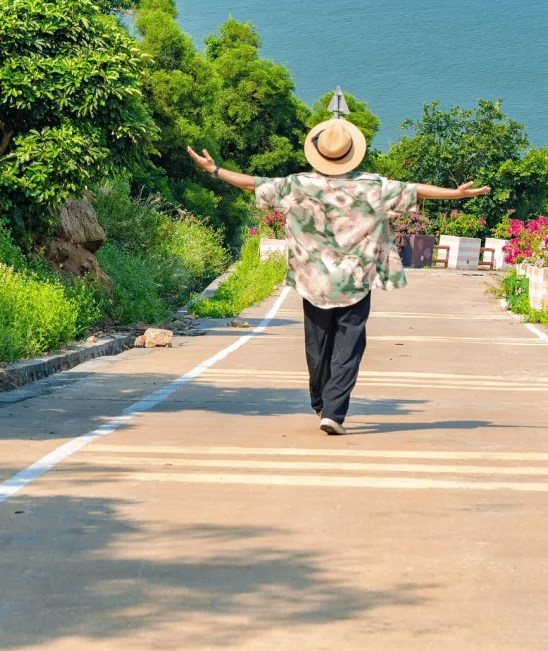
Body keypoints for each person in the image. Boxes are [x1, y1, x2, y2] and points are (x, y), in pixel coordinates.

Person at [188, 120, 489, 435]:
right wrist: (455, 193)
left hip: (313, 280)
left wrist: (215, 170)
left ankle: (320, 401)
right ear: (350, 154)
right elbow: (413, 190)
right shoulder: (372, 186)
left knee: (316, 346)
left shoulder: (298, 185)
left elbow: (253, 183)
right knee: (349, 345)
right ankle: (333, 410)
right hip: (355, 280)